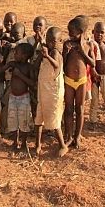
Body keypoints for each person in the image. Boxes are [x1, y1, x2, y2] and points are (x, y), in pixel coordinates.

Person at [63, 16, 99, 148]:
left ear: (81, 31)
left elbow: (93, 63)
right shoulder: (67, 44)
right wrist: (66, 53)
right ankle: (68, 136)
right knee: (68, 109)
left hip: (82, 81)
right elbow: (64, 64)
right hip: (69, 81)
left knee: (80, 109)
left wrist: (83, 52)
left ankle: (77, 136)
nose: (69, 34)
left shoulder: (89, 45)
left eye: (71, 31)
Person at [34, 27, 69, 157]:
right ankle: (37, 144)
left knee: (54, 119)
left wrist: (47, 55)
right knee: (39, 118)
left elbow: (56, 66)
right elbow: (37, 64)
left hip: (53, 92)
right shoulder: (46, 49)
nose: (50, 43)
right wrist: (42, 48)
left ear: (60, 41)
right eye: (49, 40)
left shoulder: (56, 53)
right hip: (43, 89)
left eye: (54, 41)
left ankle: (62, 145)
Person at [1, 43, 36, 154]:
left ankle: (24, 142)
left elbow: (32, 83)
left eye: (17, 53)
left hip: (24, 98)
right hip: (12, 97)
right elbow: (1, 70)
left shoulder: (28, 67)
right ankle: (15, 142)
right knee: (13, 120)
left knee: (24, 121)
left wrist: (19, 75)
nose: (14, 54)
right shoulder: (12, 64)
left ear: (24, 56)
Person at [0, 22, 26, 135]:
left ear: (23, 34)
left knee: (10, 104)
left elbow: (21, 44)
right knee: (7, 104)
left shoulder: (23, 46)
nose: (15, 36)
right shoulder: (9, 45)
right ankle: (5, 127)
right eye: (13, 34)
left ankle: (12, 128)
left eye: (18, 34)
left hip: (18, 82)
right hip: (9, 79)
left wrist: (13, 45)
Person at [26, 16, 47, 119]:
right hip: (32, 72)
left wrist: (42, 41)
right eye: (35, 24)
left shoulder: (48, 40)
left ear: (45, 28)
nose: (37, 26)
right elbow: (28, 54)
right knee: (33, 98)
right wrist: (36, 43)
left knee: (43, 98)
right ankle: (35, 121)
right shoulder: (29, 40)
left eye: (40, 25)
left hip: (44, 72)